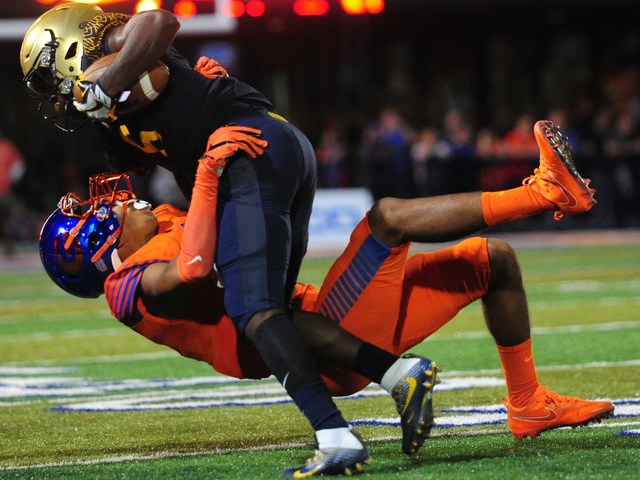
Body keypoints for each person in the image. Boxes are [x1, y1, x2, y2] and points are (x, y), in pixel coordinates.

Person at [40, 119, 613, 464]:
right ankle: (544, 193)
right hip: (327, 344)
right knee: (387, 219)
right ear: (97, 246)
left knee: (492, 262)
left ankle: (529, 404)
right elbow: (193, 268)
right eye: (100, 210)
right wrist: (209, 174)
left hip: (328, 314)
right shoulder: (126, 286)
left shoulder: (159, 225)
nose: (116, 200)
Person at [21, 4, 437, 476]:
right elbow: (178, 151)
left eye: (49, 78)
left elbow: (160, 22)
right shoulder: (108, 125)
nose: (55, 95)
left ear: (70, 45)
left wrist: (110, 80)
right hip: (268, 149)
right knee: (271, 312)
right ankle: (399, 374)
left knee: (253, 308)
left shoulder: (118, 50)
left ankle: (336, 437)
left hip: (249, 149)